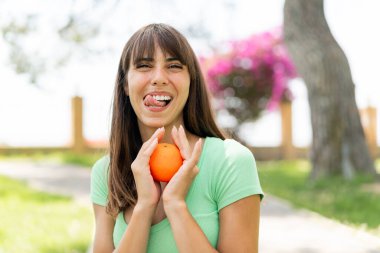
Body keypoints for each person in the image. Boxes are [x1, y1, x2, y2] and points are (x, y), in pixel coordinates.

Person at [90, 23, 264, 253]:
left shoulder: (230, 161)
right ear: (125, 84)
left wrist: (175, 205)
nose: (159, 78)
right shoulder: (107, 172)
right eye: (143, 66)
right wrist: (144, 207)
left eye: (173, 66)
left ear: (191, 81)